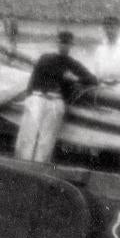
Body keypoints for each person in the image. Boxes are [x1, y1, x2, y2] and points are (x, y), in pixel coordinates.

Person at [15, 30, 98, 162]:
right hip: (37, 98)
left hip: (55, 101)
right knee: (27, 137)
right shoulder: (45, 58)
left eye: (67, 44)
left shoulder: (72, 64)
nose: (64, 46)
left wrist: (75, 79)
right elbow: (33, 80)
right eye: (62, 43)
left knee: (46, 142)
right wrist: (29, 98)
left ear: (71, 46)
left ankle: (39, 169)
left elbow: (92, 79)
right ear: (57, 43)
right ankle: (22, 167)